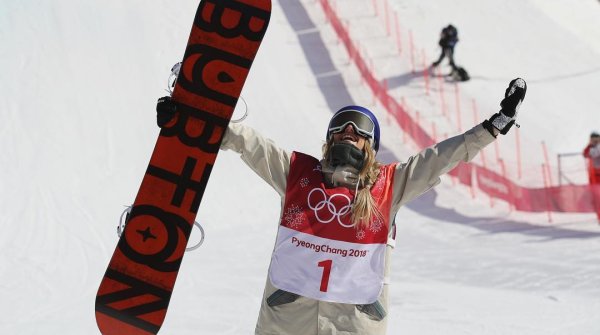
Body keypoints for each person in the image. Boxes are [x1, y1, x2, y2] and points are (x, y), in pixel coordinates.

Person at [156, 78, 527, 335]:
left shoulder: (388, 186)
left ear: (371, 145)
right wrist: (189, 118)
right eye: (340, 126)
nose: (349, 130)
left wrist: (494, 126)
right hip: (287, 322)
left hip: (354, 325)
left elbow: (440, 157)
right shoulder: (297, 174)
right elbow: (248, 143)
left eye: (360, 128)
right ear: (329, 138)